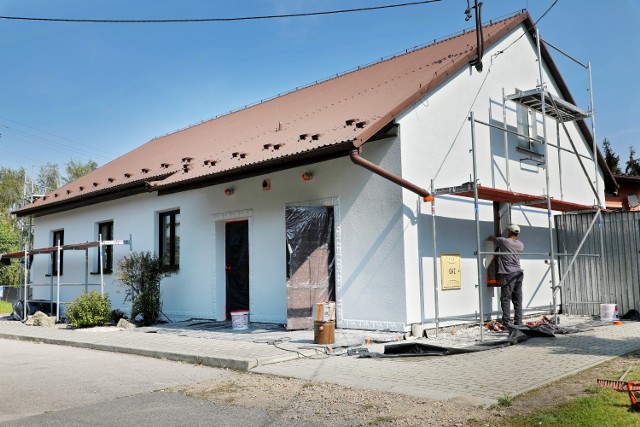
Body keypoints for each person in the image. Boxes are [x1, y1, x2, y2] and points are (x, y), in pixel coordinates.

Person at [489, 224, 524, 326]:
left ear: (509, 232)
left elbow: (492, 238)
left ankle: (507, 322)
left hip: (508, 273)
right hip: (519, 272)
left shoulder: (504, 241)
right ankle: (518, 321)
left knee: (505, 298)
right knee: (517, 298)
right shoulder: (521, 244)